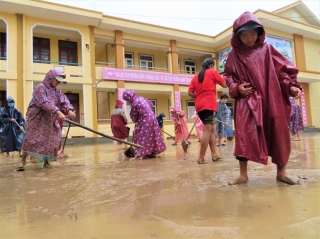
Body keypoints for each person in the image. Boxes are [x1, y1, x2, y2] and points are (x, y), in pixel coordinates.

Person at [224, 12, 302, 185]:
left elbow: (282, 71)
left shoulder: (267, 50)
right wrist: (237, 88)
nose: (249, 38)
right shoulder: (234, 55)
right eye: (244, 35)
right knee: (244, 134)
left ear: (259, 33)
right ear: (237, 36)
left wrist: (291, 86)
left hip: (272, 98)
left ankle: (281, 172)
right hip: (247, 100)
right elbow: (228, 76)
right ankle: (243, 175)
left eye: (253, 33)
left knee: (278, 132)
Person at [18, 69, 76, 170]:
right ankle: (23, 161)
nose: (58, 83)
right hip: (37, 119)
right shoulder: (40, 88)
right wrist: (57, 111)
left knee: (50, 140)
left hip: (49, 120)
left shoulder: (57, 91)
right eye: (56, 80)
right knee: (31, 140)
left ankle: (46, 162)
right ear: (50, 77)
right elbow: (43, 102)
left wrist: (70, 110)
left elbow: (65, 101)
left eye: (59, 81)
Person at [188, 58, 227, 164]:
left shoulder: (196, 76)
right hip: (208, 105)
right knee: (207, 131)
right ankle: (201, 158)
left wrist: (199, 98)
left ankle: (214, 155)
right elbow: (224, 84)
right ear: (211, 65)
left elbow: (190, 92)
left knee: (213, 130)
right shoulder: (212, 72)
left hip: (200, 106)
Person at [122, 89, 166, 159]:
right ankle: (152, 152)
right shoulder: (141, 98)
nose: (127, 101)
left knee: (139, 134)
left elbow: (134, 116)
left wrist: (136, 119)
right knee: (151, 135)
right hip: (153, 118)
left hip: (145, 120)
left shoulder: (134, 103)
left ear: (129, 97)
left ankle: (140, 153)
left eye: (127, 99)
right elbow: (150, 104)